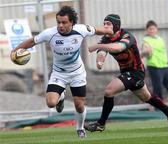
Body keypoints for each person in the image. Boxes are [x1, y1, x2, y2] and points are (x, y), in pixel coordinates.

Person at [10, 6, 113, 138]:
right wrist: (15, 50)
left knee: (79, 105)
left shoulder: (81, 29)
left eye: (64, 22)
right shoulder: (49, 33)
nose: (60, 25)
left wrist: (109, 31)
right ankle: (61, 97)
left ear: (72, 23)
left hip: (77, 73)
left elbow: (96, 30)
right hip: (59, 73)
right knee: (51, 103)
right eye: (58, 22)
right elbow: (32, 41)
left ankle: (80, 128)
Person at [84, 14, 168, 133]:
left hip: (135, 72)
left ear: (116, 26)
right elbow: (102, 52)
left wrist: (97, 46)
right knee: (146, 97)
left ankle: (101, 124)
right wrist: (100, 60)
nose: (105, 26)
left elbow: (117, 48)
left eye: (108, 24)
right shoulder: (106, 39)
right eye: (104, 24)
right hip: (126, 72)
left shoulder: (127, 36)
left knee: (109, 91)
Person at [141, 20, 168, 110]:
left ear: (156, 29)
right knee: (158, 87)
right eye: (150, 29)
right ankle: (158, 107)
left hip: (165, 66)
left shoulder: (160, 39)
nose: (152, 30)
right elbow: (144, 51)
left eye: (153, 28)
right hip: (154, 66)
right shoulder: (146, 40)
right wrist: (145, 52)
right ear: (147, 30)